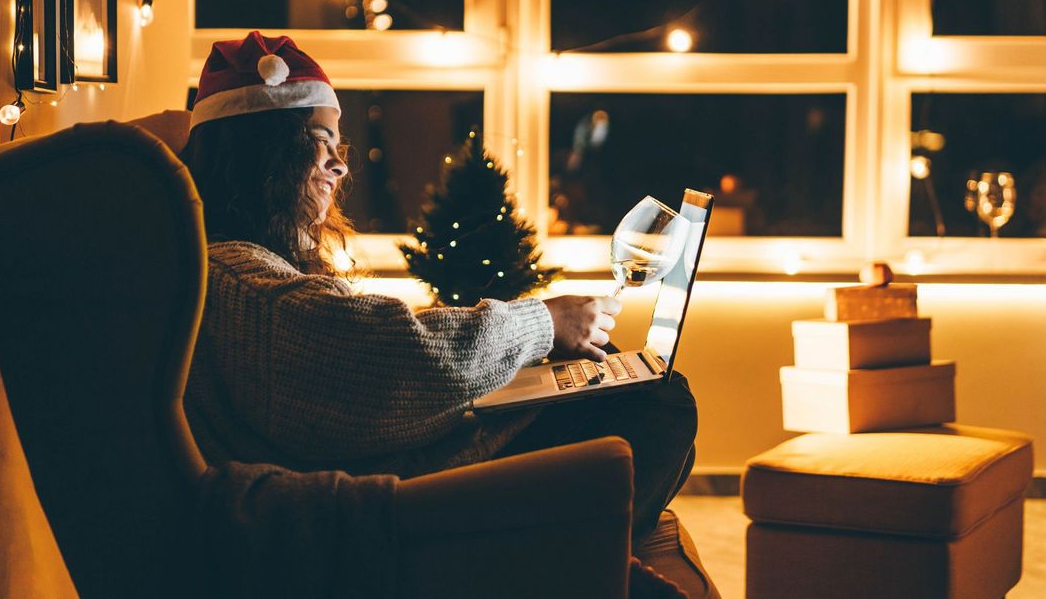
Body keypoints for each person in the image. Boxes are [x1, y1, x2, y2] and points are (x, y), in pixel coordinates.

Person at [179, 31, 697, 540]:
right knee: (659, 406)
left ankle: (594, 560)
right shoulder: (245, 286)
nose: (339, 165)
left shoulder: (235, 265)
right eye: (319, 143)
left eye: (340, 146)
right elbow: (396, 357)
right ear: (263, 156)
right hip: (397, 499)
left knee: (620, 381)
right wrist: (544, 321)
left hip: (386, 465)